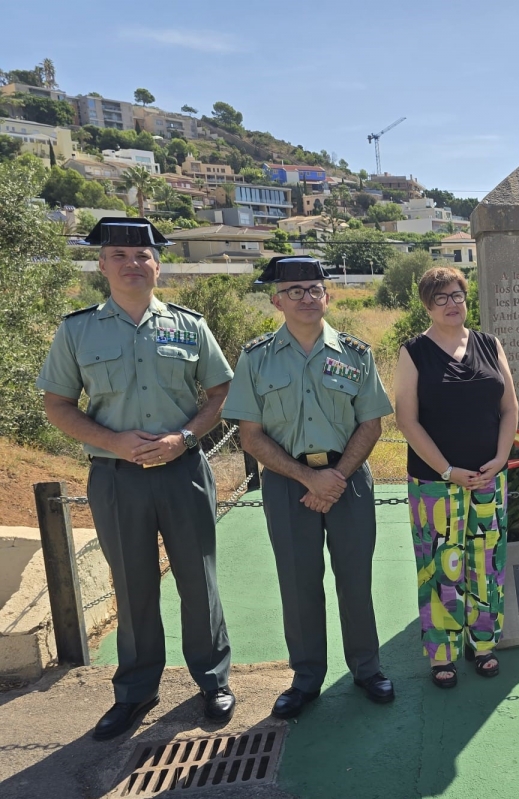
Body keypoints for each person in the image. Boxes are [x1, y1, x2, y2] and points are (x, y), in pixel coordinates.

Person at [36, 219, 235, 740]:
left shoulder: (190, 325)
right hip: (116, 476)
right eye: (119, 255)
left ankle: (212, 680)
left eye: (142, 255)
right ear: (102, 265)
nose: (132, 264)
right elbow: (57, 405)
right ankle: (135, 691)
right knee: (133, 584)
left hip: (183, 472)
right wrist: (113, 441)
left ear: (157, 264)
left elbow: (219, 394)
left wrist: (185, 438)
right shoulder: (77, 330)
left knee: (199, 579)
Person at [222, 256, 395, 718]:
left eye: (314, 289)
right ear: (276, 299)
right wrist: (308, 478)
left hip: (348, 480)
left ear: (327, 295)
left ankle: (366, 668)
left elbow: (371, 423)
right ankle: (306, 678)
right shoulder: (255, 357)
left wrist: (333, 479)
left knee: (355, 581)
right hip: (287, 484)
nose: (306, 298)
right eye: (294, 291)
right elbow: (250, 434)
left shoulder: (356, 354)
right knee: (299, 585)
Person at [394, 266, 518, 689]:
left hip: (487, 479)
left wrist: (501, 458)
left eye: (457, 295)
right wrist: (447, 469)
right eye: (440, 297)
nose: (451, 304)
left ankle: (482, 643)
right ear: (427, 305)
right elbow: (406, 420)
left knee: (486, 563)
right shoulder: (413, 352)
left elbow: (509, 409)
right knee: (440, 566)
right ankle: (442, 654)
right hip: (435, 483)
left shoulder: (490, 344)